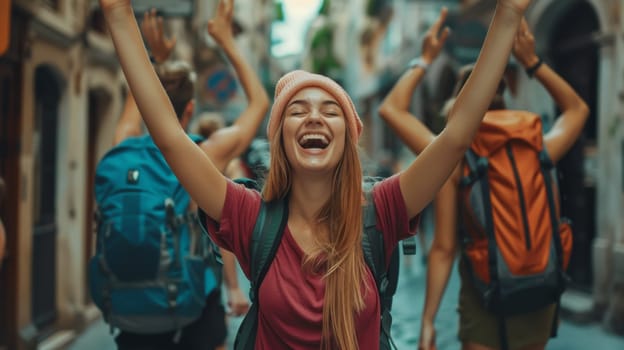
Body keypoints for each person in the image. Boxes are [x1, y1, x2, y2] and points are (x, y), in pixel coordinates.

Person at [98, 0, 533, 347]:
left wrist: (508, 14)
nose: (314, 119)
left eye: (330, 111)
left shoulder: (380, 209)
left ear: (347, 137)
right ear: (281, 137)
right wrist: (119, 13)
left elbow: (456, 136)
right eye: (297, 111)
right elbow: (171, 137)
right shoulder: (252, 216)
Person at [379, 16, 589, 350]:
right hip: (540, 289)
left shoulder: (455, 155)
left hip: (485, 294)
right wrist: (532, 61)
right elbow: (577, 109)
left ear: (460, 107)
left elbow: (391, 109)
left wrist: (424, 60)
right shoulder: (538, 146)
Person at [107, 4, 268, 349]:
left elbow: (135, 107)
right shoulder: (206, 154)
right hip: (194, 305)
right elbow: (259, 103)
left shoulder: (124, 146)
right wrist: (227, 43)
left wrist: (153, 60)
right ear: (191, 108)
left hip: (132, 312)